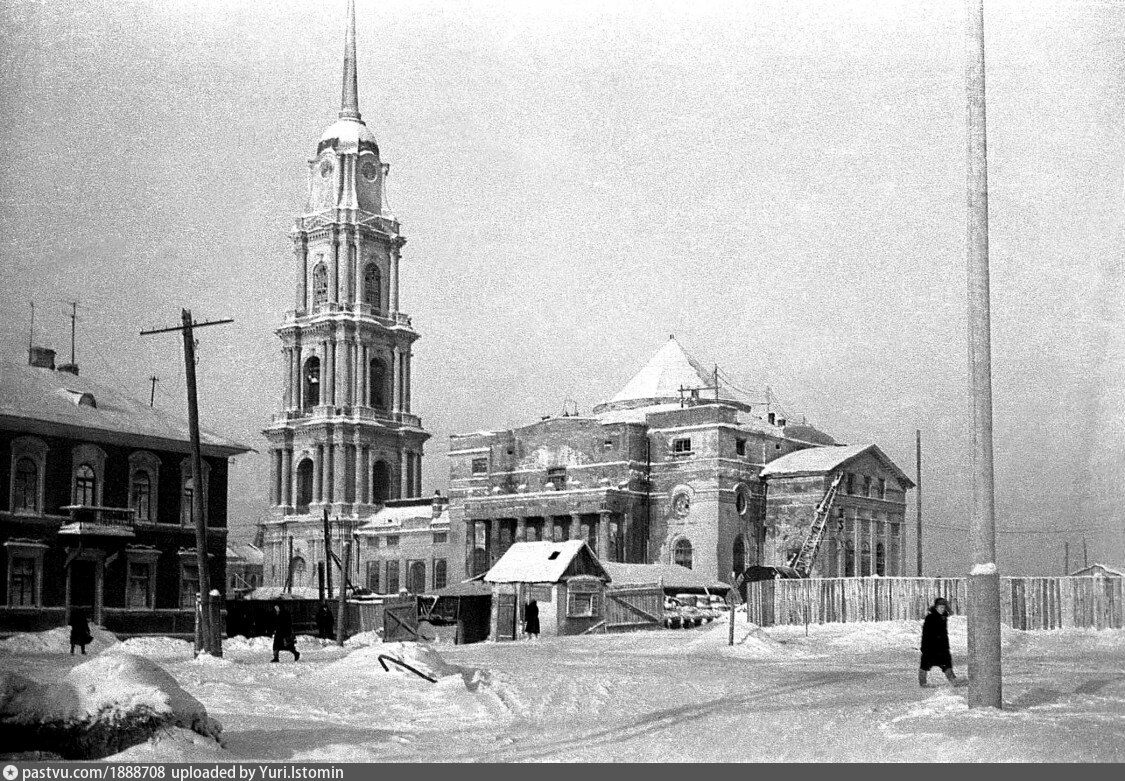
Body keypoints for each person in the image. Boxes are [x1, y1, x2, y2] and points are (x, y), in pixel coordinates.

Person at [919, 596, 959, 687]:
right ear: (936, 607)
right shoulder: (930, 618)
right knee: (924, 665)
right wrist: (924, 647)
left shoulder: (943, 617)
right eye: (941, 607)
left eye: (944, 607)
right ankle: (922, 683)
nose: (942, 609)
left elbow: (944, 634)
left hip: (942, 647)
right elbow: (925, 634)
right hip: (930, 647)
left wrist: (946, 646)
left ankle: (953, 681)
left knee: (946, 664)